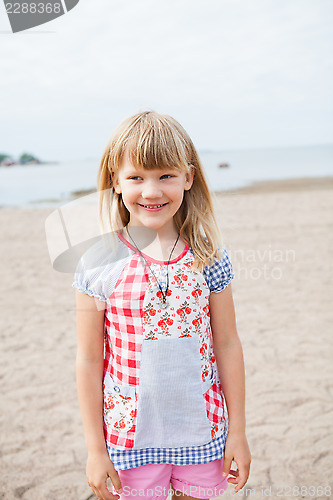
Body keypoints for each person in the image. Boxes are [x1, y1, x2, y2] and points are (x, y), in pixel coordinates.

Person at [73, 111, 251, 500]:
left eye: (165, 175)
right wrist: (94, 449)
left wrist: (238, 430)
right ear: (115, 182)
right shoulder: (98, 262)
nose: (151, 191)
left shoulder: (209, 257)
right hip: (129, 438)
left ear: (188, 177)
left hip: (203, 431)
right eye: (136, 177)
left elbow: (227, 344)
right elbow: (89, 359)